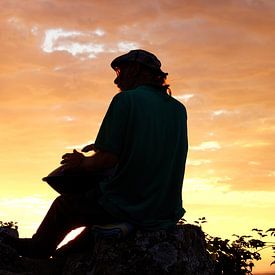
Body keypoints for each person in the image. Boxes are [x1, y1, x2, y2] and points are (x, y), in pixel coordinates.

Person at [1, 49, 188, 258]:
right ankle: (65, 256)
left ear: (135, 70)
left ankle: (35, 252)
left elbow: (108, 159)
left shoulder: (126, 100)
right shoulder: (178, 110)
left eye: (120, 71)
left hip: (129, 204)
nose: (116, 79)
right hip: (164, 212)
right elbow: (149, 149)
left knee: (64, 206)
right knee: (70, 253)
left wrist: (81, 162)